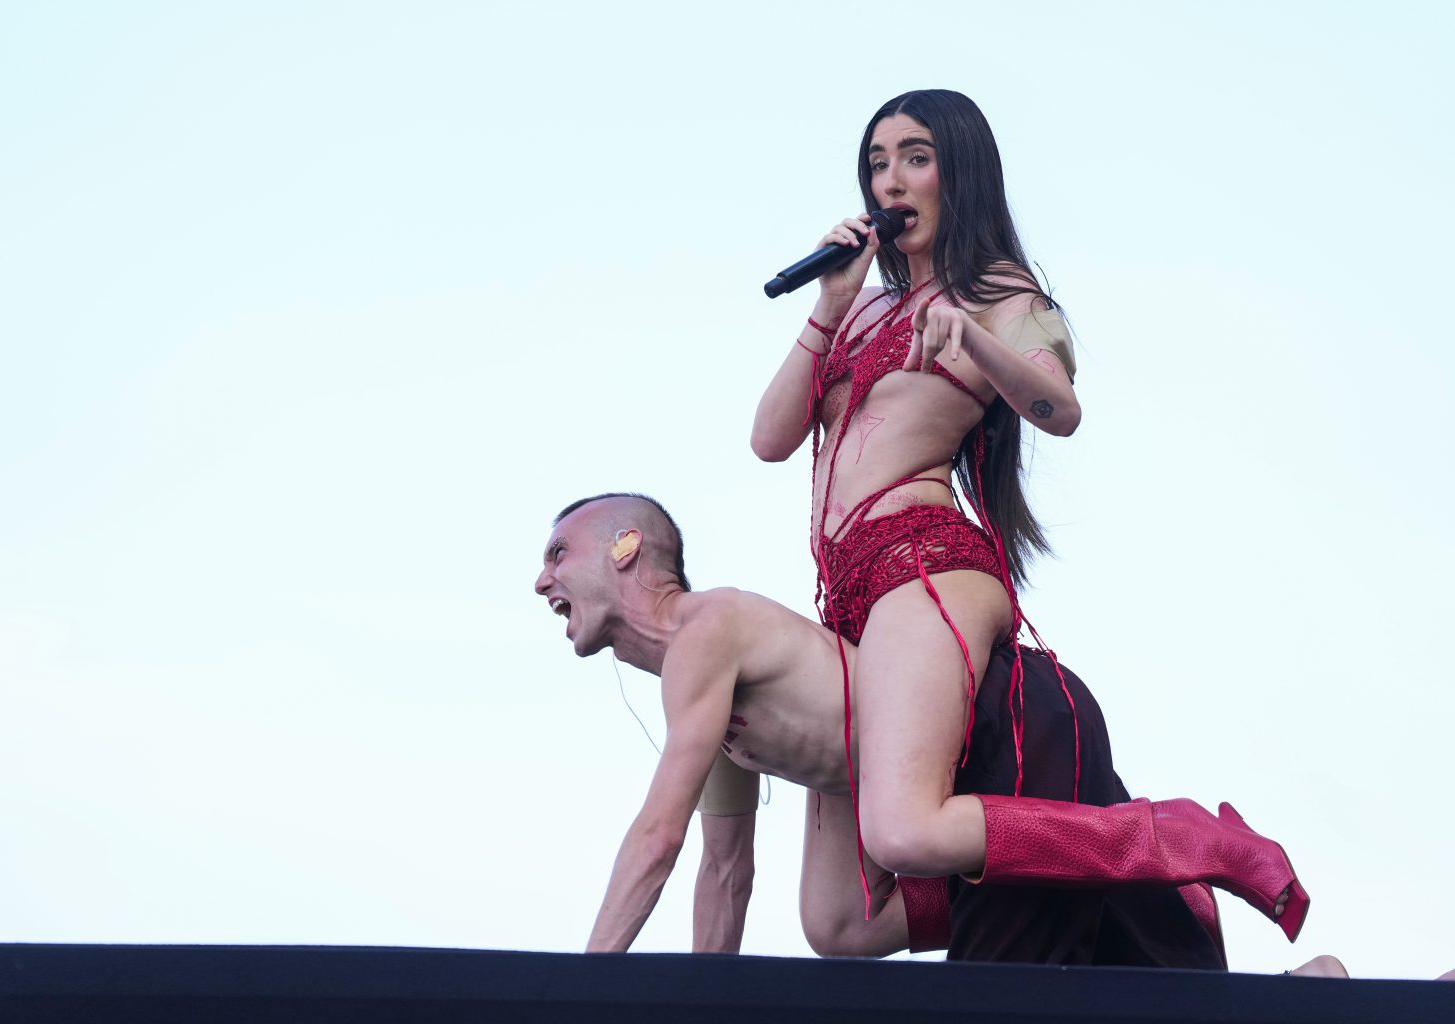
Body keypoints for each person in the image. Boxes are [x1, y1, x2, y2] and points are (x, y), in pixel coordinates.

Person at [750, 89, 1307, 944]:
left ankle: (1170, 839)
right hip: (848, 597)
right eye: (876, 163)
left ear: (959, 173)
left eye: (915, 158)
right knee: (840, 926)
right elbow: (769, 439)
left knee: (903, 831)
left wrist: (972, 339)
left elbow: (1060, 410)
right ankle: (1117, 896)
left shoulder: (998, 293)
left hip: (924, 567)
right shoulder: (857, 307)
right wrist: (828, 303)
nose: (890, 181)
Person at [534, 493, 1298, 964]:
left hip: (982, 737)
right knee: (837, 927)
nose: (543, 581)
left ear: (626, 549)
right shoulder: (704, 696)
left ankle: (1167, 837)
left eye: (559, 553)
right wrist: (701, 1005)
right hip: (903, 794)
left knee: (930, 875)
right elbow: (725, 873)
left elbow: (656, 837)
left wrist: (584, 986)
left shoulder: (708, 631)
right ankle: (1182, 915)